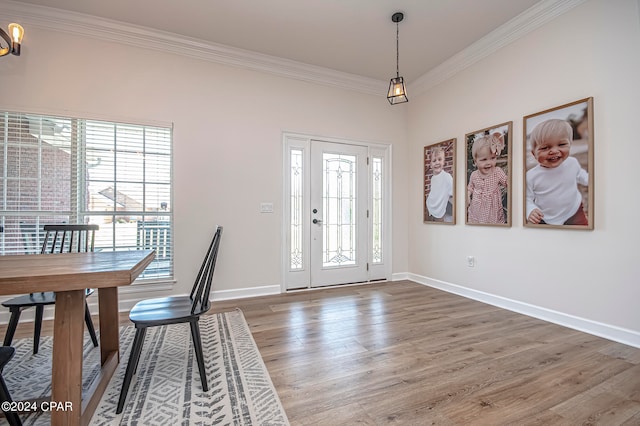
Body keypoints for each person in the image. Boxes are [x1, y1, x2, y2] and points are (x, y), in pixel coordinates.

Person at [526, 119, 589, 225]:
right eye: (545, 147)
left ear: (570, 144)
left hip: (574, 210)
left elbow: (581, 176)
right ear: (533, 154)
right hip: (547, 218)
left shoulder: (572, 163)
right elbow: (527, 199)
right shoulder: (531, 176)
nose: (554, 151)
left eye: (562, 144)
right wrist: (530, 210)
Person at [467, 132, 508, 224]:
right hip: (476, 211)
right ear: (475, 161)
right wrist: (467, 196)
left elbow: (506, 181)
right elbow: (470, 187)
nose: (489, 162)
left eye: (492, 158)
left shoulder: (497, 172)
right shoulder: (474, 175)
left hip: (493, 211)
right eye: (484, 159)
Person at [426, 146, 453, 222]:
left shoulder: (447, 177)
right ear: (431, 165)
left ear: (443, 162)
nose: (437, 162)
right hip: (430, 206)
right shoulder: (433, 178)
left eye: (440, 159)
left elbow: (454, 192)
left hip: (440, 210)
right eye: (434, 161)